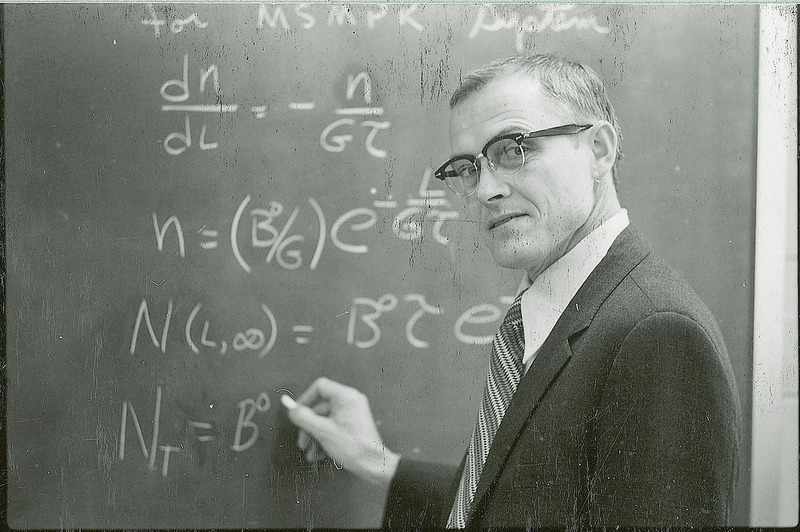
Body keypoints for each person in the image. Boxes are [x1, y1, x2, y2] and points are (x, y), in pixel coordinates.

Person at [281, 54, 742, 528]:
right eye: (467, 167)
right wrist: (377, 462)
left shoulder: (657, 335)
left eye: (512, 149)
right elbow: (517, 503)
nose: (485, 190)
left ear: (600, 150)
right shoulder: (558, 309)